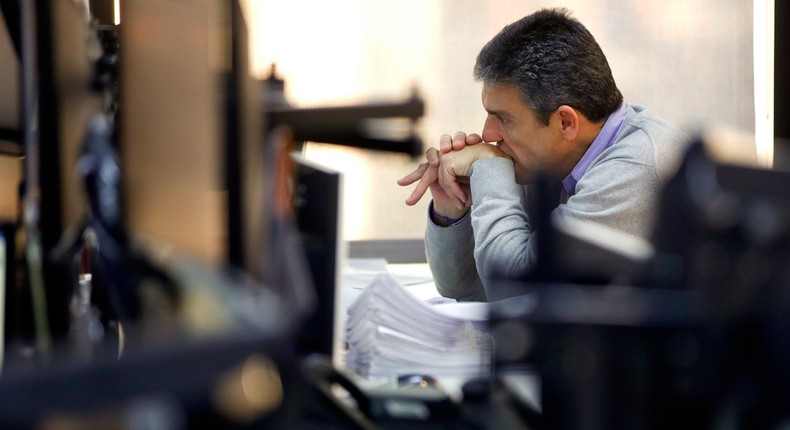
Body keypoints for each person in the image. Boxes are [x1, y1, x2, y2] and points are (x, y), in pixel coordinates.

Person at [398, 7, 689, 302]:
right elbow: (467, 289)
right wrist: (452, 210)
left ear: (565, 122)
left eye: (504, 118)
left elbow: (516, 293)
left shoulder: (636, 167)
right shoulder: (551, 161)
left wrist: (489, 168)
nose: (488, 135)